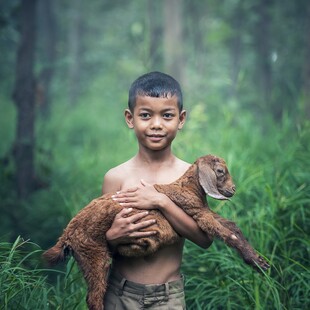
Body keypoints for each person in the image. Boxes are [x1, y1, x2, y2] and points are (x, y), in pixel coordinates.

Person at [102, 71, 212, 309]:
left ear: (181, 119)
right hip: (118, 294)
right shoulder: (116, 177)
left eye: (167, 115)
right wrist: (112, 237)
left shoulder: (190, 176)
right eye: (145, 115)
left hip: (168, 298)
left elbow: (205, 239)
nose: (156, 124)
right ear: (130, 118)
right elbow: (98, 244)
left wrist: (161, 201)